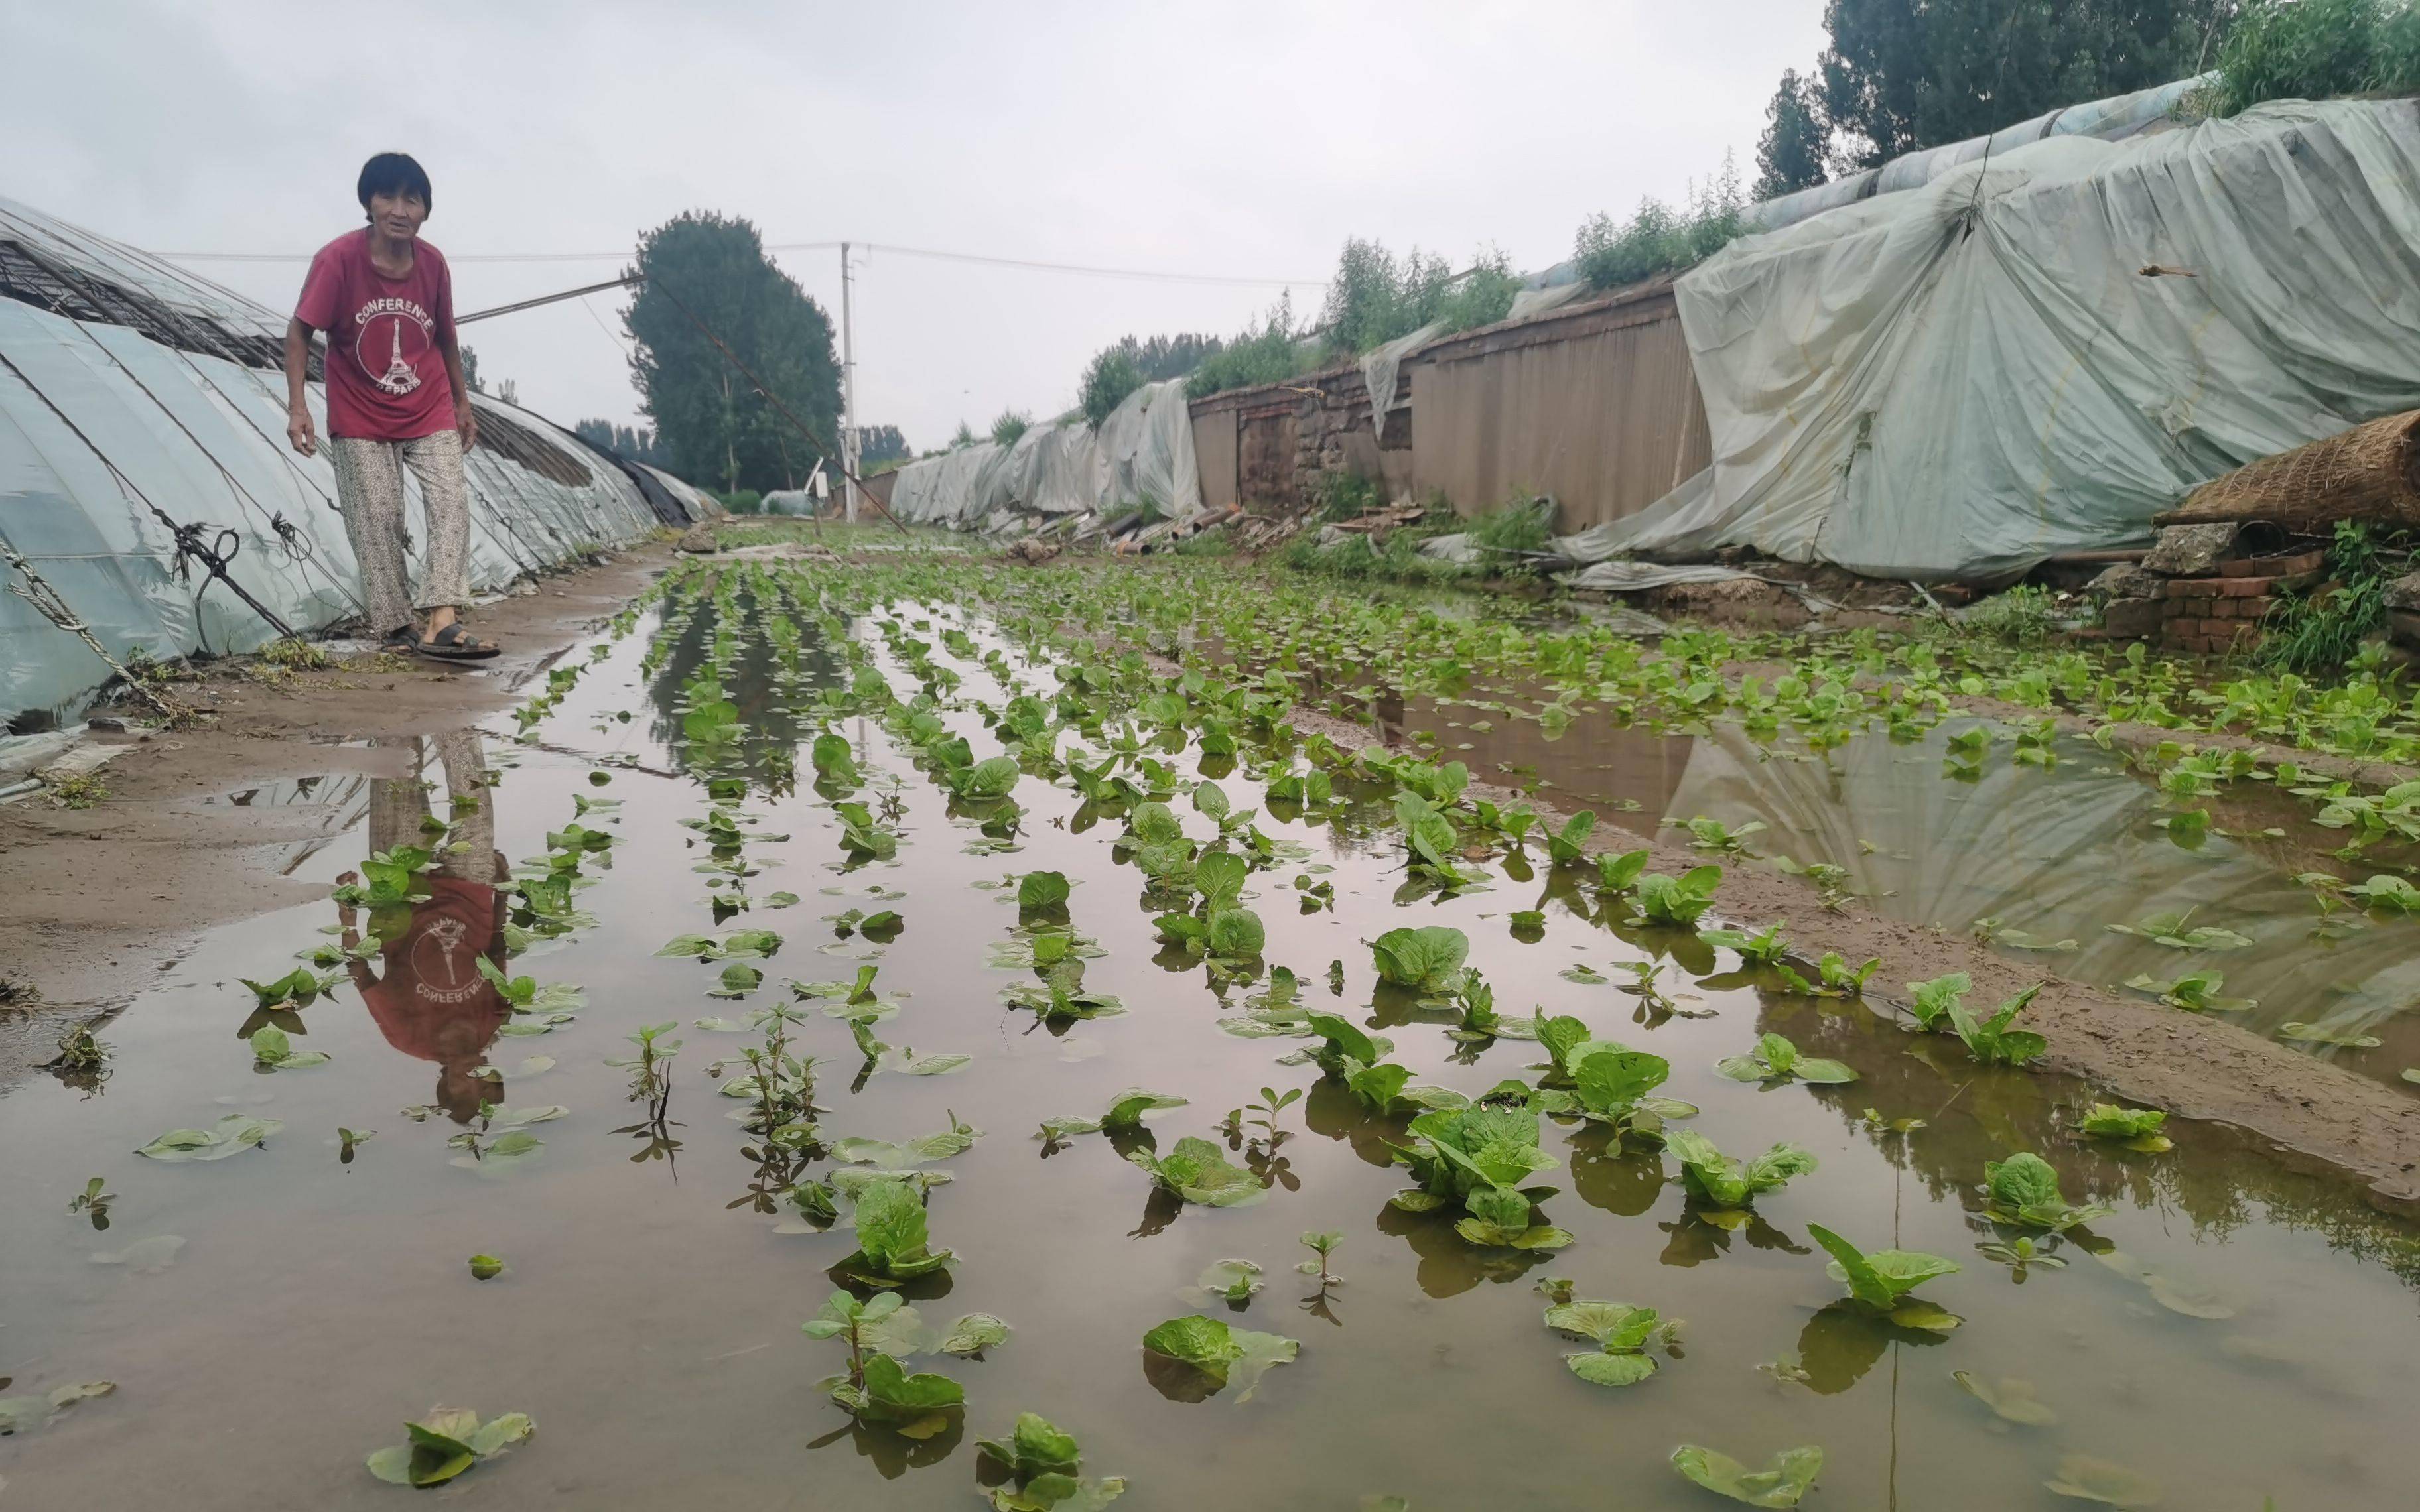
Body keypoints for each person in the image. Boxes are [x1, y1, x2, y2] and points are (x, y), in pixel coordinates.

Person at [284, 151, 498, 661]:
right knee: (377, 515)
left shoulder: (434, 265)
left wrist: (462, 402)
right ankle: (397, 623)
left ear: (425, 209)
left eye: (412, 199)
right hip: (360, 412)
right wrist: (298, 407)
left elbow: (446, 337)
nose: (400, 210)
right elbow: (299, 331)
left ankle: (442, 617)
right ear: (368, 203)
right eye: (388, 197)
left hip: (428, 407)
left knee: (451, 498)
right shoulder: (337, 260)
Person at [338, 729, 509, 1121]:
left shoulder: (407, 1036)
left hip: (402, 884)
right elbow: (497, 950)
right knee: (472, 785)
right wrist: (502, 891)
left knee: (397, 768)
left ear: (447, 1084)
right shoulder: (495, 1022)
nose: (480, 1077)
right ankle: (454, 711)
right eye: (490, 1082)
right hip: (473, 888)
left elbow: (361, 974)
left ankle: (394, 698)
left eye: (472, 1087)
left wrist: (348, 915)